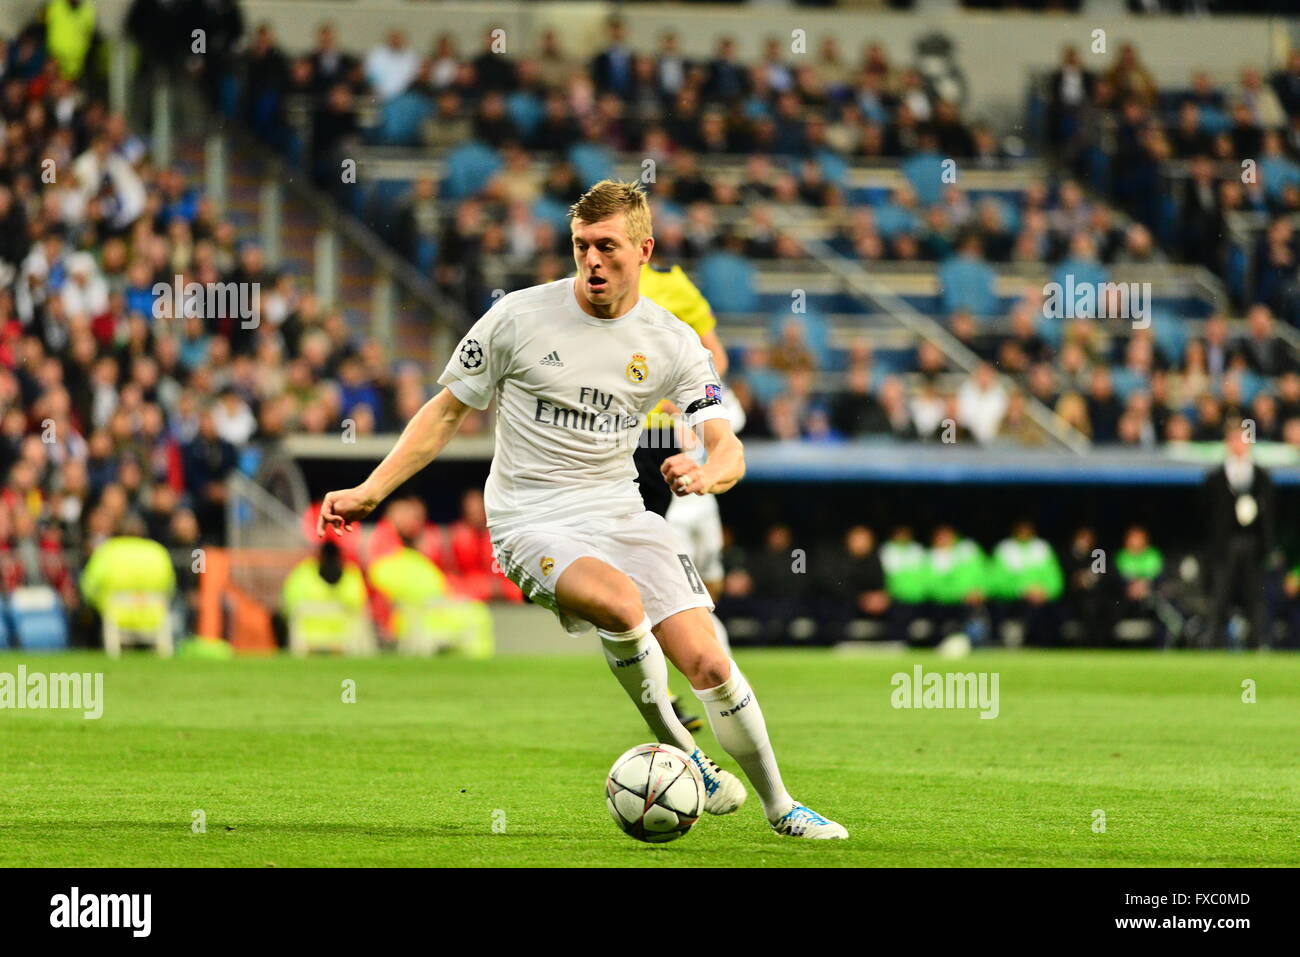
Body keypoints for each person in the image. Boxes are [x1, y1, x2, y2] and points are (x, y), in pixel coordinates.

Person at [317, 180, 846, 839]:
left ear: (643, 250)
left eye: (607, 247)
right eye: (581, 246)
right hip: (529, 519)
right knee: (622, 604)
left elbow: (727, 443)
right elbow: (447, 410)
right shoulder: (518, 318)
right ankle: (687, 751)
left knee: (710, 662)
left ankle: (781, 806)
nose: (592, 261)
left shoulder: (672, 340)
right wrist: (372, 489)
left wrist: (708, 474)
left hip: (621, 513)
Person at [636, 256, 735, 731]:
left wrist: (686, 392)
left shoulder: (675, 286)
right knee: (631, 562)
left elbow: (715, 355)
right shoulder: (586, 289)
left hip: (655, 437)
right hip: (603, 432)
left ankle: (681, 672)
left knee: (650, 558)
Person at [1201, 419, 1276, 649]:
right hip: (1226, 544)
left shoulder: (1261, 475)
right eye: (1235, 439)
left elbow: (1270, 514)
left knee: (1255, 595)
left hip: (1252, 542)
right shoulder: (1215, 477)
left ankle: (1258, 641)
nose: (1240, 445)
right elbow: (1206, 513)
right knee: (1220, 594)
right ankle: (1213, 641)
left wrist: (1267, 545)